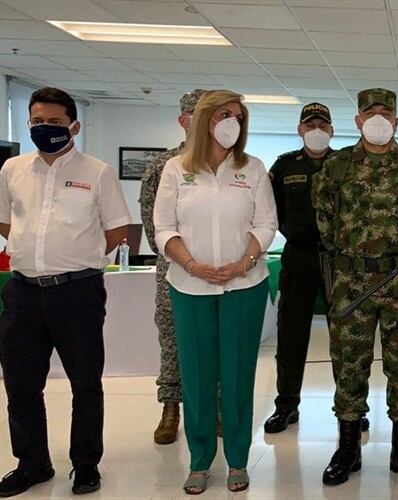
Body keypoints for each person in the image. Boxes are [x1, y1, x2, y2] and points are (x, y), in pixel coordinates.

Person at [0, 87, 130, 496]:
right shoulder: (12, 170)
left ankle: (86, 463)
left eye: (54, 123)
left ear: (74, 125)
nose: (45, 129)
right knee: (21, 384)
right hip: (22, 292)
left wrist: (75, 256)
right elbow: (7, 224)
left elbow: (117, 231)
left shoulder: (98, 171)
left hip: (78, 293)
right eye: (37, 122)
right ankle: (32, 463)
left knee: (85, 383)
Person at [312, 88, 398, 487]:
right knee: (349, 364)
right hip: (352, 281)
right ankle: (347, 446)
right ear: (358, 121)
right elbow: (325, 225)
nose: (379, 118)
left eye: (386, 112)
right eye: (371, 112)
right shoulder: (336, 167)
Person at [153, 90, 277, 494]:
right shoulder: (176, 169)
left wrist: (244, 262)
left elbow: (265, 224)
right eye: (225, 114)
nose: (232, 123)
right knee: (198, 378)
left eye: (238, 117)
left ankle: (238, 459)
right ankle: (201, 460)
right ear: (204, 119)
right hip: (190, 285)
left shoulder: (252, 168)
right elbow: (163, 228)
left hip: (245, 285)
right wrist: (191, 264)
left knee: (239, 375)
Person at [263, 102, 339, 433]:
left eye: (322, 124)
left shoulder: (345, 164)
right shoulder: (283, 166)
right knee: (291, 336)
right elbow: (270, 210)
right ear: (300, 130)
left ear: (332, 130)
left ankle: (350, 408)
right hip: (298, 256)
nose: (317, 130)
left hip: (339, 258)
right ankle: (286, 406)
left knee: (346, 338)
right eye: (310, 125)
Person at [140, 89, 206, 445]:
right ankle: (170, 407)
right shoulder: (163, 165)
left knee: (217, 341)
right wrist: (186, 258)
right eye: (197, 113)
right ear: (183, 120)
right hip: (175, 271)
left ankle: (218, 409)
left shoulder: (234, 164)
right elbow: (154, 228)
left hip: (221, 271)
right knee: (173, 340)